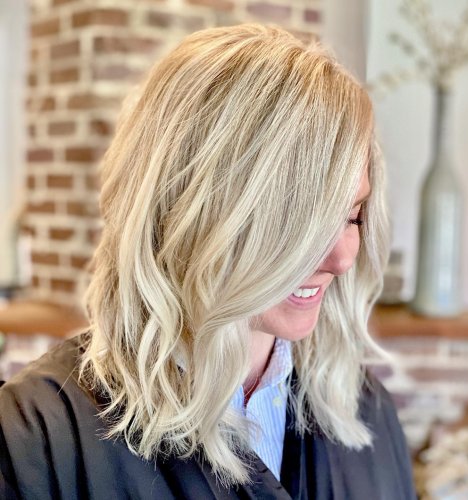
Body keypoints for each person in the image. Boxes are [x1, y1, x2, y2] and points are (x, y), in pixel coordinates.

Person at [0, 24, 416, 499]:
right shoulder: (34, 443)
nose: (342, 259)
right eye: (302, 223)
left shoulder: (367, 415)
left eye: (352, 216)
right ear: (190, 208)